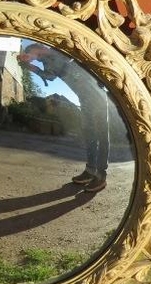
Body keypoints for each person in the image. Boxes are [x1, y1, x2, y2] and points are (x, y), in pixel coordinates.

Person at [17, 43, 110, 192]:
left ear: (42, 47)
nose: (39, 58)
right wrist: (29, 66)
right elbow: (50, 76)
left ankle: (101, 175)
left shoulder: (59, 49)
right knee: (90, 134)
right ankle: (90, 170)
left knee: (101, 134)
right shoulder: (46, 62)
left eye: (38, 54)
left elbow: (76, 53)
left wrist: (34, 56)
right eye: (37, 57)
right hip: (83, 98)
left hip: (96, 92)